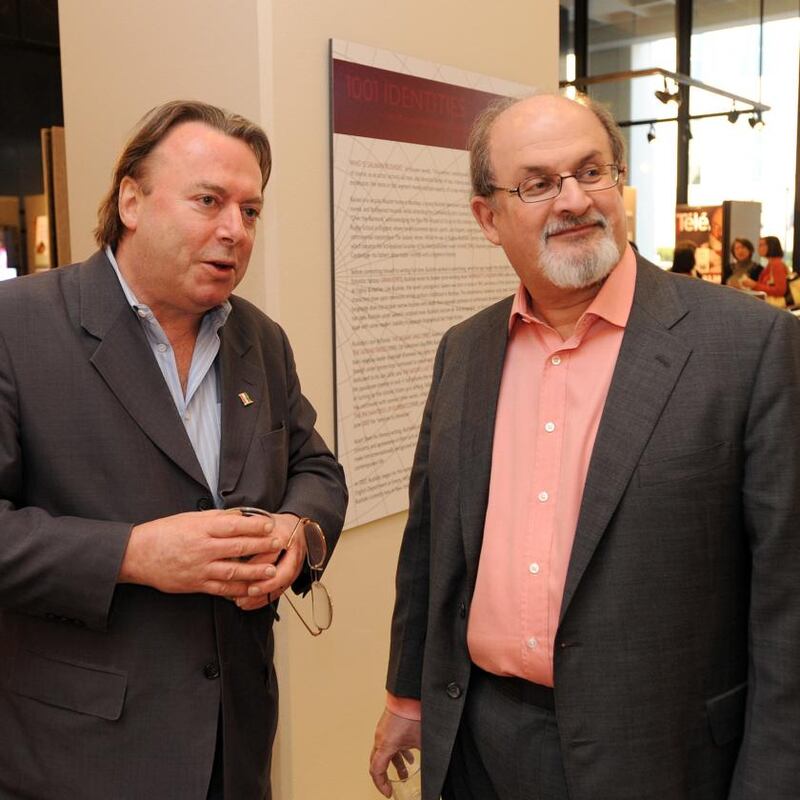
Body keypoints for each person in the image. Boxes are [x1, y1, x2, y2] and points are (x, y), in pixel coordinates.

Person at [369, 92, 800, 800]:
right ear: (488, 217)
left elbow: (788, 604)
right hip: (478, 744)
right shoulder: (466, 352)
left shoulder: (748, 348)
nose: (573, 200)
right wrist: (406, 698)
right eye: (537, 184)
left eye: (592, 172)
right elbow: (430, 550)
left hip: (662, 759)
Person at [0, 100, 347, 800]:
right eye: (208, 201)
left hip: (237, 743)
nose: (234, 231)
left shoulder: (259, 339)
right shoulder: (18, 327)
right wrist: (132, 555)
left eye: (250, 211)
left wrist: (297, 529)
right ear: (131, 199)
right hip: (81, 758)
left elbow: (316, 468)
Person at [742, 235, 789, 307]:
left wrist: (755, 285)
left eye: (761, 245)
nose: (758, 248)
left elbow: (780, 290)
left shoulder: (777, 264)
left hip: (776, 308)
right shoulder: (771, 264)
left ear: (771, 246)